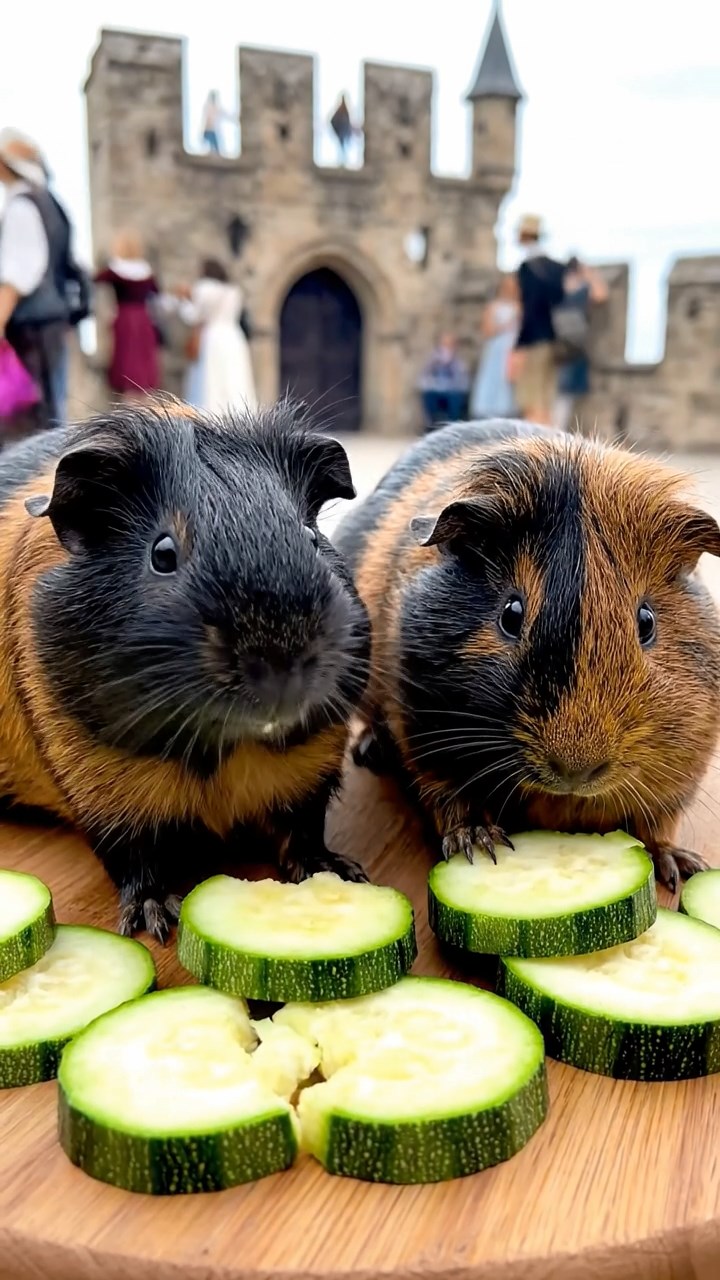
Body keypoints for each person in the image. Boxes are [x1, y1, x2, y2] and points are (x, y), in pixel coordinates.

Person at [0, 128, 70, 438]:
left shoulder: (22, 207)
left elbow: (17, 277)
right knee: (50, 416)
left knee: (33, 428)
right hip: (50, 325)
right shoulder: (51, 204)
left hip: (31, 330)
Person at [177, 259, 257, 413]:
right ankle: (239, 415)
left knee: (211, 380)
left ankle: (211, 414)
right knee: (235, 378)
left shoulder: (204, 288)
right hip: (233, 336)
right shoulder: (234, 291)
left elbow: (193, 317)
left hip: (213, 337)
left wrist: (183, 302)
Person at [513, 214, 566, 426]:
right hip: (556, 339)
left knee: (531, 396)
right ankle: (549, 444)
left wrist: (519, 345)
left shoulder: (528, 268)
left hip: (534, 339)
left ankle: (537, 451)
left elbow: (530, 309)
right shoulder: (557, 267)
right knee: (546, 397)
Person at [94, 231, 160, 398]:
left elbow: (97, 278)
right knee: (140, 363)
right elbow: (156, 292)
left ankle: (130, 403)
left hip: (126, 318)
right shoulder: (146, 272)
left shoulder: (116, 270)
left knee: (128, 361)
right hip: (143, 318)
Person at [553, 256, 608, 433]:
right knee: (564, 396)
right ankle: (555, 434)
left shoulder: (556, 290)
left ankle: (554, 432)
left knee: (559, 396)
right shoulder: (580, 290)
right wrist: (591, 275)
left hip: (557, 346)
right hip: (573, 347)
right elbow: (601, 294)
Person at [470, 273, 519, 419]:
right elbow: (487, 331)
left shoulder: (520, 306)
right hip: (497, 349)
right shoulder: (493, 307)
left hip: (513, 350)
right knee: (493, 379)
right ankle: (487, 413)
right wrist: (505, 326)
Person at [417, 334, 469, 430]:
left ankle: (453, 427)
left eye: (449, 345)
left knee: (456, 399)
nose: (446, 348)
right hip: (435, 392)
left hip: (452, 393)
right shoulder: (432, 361)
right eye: (444, 344)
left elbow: (463, 383)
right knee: (429, 396)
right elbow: (423, 379)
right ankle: (431, 426)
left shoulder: (459, 362)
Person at [201, 91, 235, 155]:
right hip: (208, 131)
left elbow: (225, 114)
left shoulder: (216, 107)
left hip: (212, 131)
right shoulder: (208, 107)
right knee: (213, 150)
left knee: (216, 151)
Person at [329, 94, 356, 166]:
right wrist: (337, 131)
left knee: (344, 148)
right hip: (342, 133)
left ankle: (343, 162)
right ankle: (341, 162)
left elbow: (347, 123)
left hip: (344, 133)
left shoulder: (345, 110)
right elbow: (333, 121)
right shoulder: (340, 110)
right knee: (342, 147)